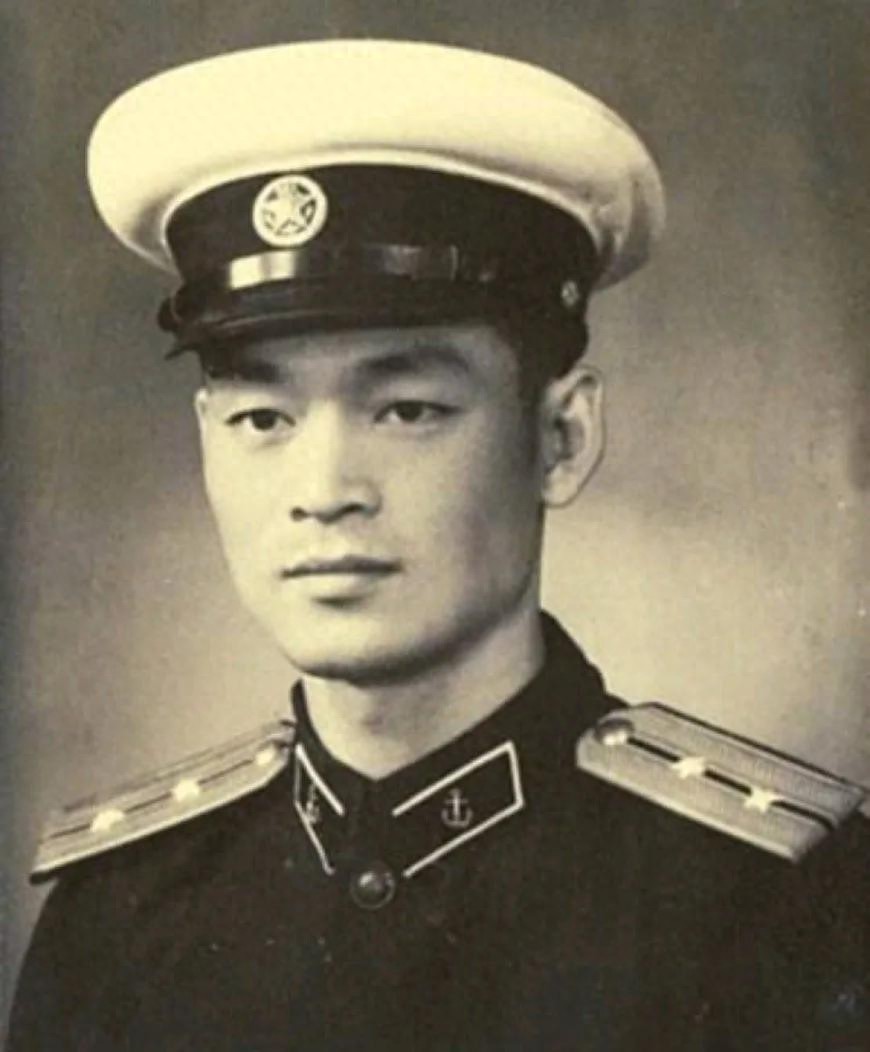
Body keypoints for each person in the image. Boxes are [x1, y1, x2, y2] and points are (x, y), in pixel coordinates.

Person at [7, 40, 868, 1052]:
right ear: (207, 444)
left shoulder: (773, 909)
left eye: (408, 409)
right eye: (262, 419)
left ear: (561, 438)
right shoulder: (118, 917)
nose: (324, 492)